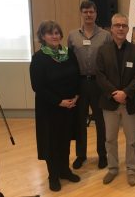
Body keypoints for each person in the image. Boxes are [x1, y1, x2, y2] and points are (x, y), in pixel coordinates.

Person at [30, 20, 81, 192]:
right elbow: (38, 86)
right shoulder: (38, 58)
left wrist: (76, 96)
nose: (55, 36)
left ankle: (65, 170)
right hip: (49, 108)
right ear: (42, 37)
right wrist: (58, 101)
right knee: (51, 142)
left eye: (57, 32)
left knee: (65, 139)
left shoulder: (69, 53)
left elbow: (77, 75)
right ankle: (53, 176)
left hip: (69, 106)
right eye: (50, 33)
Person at [96, 13, 135, 186]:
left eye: (124, 25)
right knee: (110, 139)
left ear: (128, 28)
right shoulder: (102, 51)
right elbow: (100, 76)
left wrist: (126, 93)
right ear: (111, 28)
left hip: (129, 102)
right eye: (117, 25)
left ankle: (131, 169)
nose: (121, 28)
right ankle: (113, 168)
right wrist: (114, 93)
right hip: (109, 103)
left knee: (131, 140)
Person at [67, 0, 112, 169]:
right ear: (81, 13)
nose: (88, 15)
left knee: (101, 121)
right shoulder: (72, 35)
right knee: (80, 121)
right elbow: (69, 62)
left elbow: (109, 61)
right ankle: (81, 155)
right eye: (85, 11)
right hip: (79, 84)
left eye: (91, 11)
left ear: (96, 13)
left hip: (98, 84)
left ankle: (102, 154)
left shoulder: (105, 36)